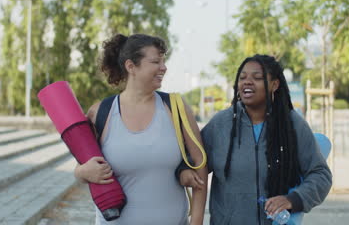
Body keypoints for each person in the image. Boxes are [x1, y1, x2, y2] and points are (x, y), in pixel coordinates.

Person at [179, 54, 332, 224]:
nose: (247, 81)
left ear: (275, 84)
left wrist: (293, 199)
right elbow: (191, 160)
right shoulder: (221, 124)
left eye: (257, 77)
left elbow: (321, 175)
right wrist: (184, 171)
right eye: (242, 77)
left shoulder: (292, 125)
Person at [74, 33, 208, 225]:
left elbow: (200, 164)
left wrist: (196, 222)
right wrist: (81, 173)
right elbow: (82, 167)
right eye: (155, 61)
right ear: (131, 67)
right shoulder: (100, 113)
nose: (164, 67)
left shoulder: (176, 107)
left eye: (163, 61)